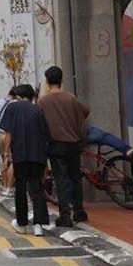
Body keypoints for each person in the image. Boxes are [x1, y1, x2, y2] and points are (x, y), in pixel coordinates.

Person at [37, 66, 89, 227]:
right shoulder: (70, 98)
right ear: (61, 80)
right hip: (73, 143)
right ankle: (79, 211)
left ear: (47, 81)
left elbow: (40, 124)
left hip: (55, 144)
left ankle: (65, 215)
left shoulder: (43, 101)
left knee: (61, 179)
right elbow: (84, 113)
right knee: (75, 177)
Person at [0, 84, 50, 237]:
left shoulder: (12, 108)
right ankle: (39, 225)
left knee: (20, 187)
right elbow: (45, 134)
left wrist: (6, 154)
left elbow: (8, 133)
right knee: (36, 187)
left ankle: (22, 224)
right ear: (31, 96)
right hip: (38, 155)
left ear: (18, 96)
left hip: (20, 154)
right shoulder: (37, 110)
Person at [0, 88, 17, 196]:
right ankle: (10, 187)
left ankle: (5, 186)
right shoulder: (15, 104)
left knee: (4, 159)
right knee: (13, 160)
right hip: (9, 134)